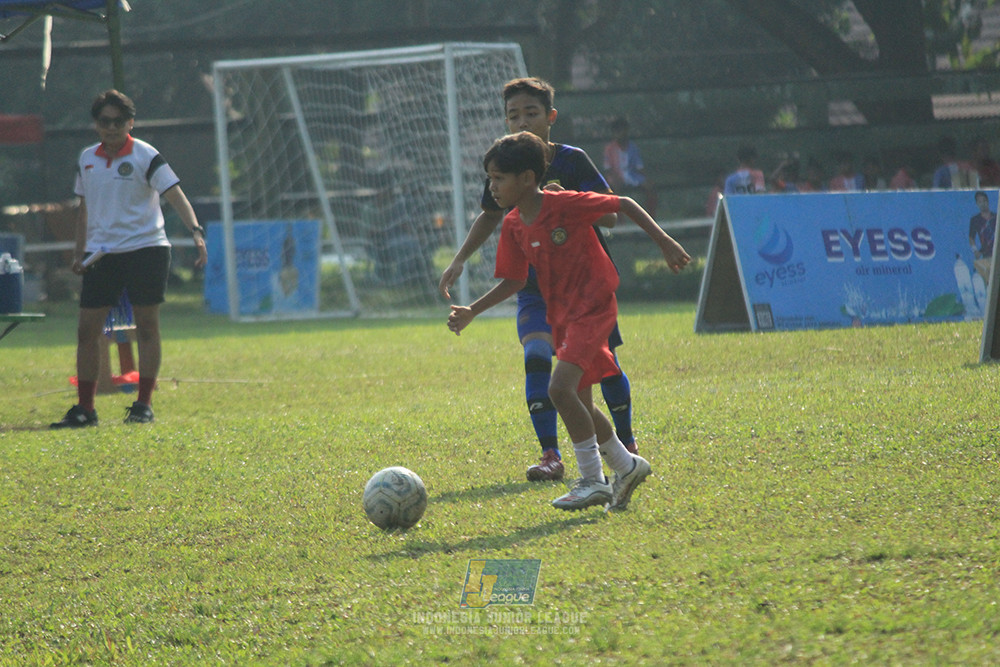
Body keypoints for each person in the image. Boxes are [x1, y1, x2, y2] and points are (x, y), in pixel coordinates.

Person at [448, 131, 691, 511]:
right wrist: (472, 311)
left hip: (593, 304)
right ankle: (626, 467)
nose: (491, 187)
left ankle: (593, 479)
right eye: (489, 178)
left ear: (527, 179)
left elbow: (623, 203)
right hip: (561, 313)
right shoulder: (513, 225)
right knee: (578, 398)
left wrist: (665, 242)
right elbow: (514, 280)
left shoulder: (563, 205)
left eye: (499, 178)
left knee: (558, 389)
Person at [438, 77, 639, 483]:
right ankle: (552, 454)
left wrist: (563, 201)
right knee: (539, 364)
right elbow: (491, 214)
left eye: (531, 113)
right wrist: (460, 259)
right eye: (513, 115)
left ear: (551, 117)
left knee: (602, 371)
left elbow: (613, 215)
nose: (522, 122)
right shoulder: (506, 162)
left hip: (583, 289)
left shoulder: (571, 159)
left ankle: (625, 447)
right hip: (533, 288)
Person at [50, 89, 208, 428]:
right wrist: (80, 252)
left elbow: (175, 195)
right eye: (105, 121)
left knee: (147, 326)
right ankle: (85, 410)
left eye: (118, 121)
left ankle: (143, 405)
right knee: (86, 331)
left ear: (130, 123)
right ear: (96, 125)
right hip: (103, 254)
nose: (111, 127)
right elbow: (85, 209)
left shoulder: (145, 155)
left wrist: (196, 232)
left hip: (146, 250)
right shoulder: (87, 158)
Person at [603, 116, 657, 218]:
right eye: (617, 131)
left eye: (622, 130)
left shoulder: (633, 147)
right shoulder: (609, 148)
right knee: (615, 190)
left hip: (632, 175)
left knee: (650, 187)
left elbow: (639, 167)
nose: (620, 133)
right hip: (616, 176)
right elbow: (608, 169)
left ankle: (651, 217)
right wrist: (614, 179)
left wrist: (647, 178)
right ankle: (619, 220)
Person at [969, 190, 996, 285]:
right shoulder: (975, 220)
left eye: (984, 201)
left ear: (988, 201)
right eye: (980, 202)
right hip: (986, 255)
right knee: (990, 282)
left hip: (997, 254)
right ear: (977, 204)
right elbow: (971, 237)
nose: (982, 204)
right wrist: (975, 250)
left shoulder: (996, 217)